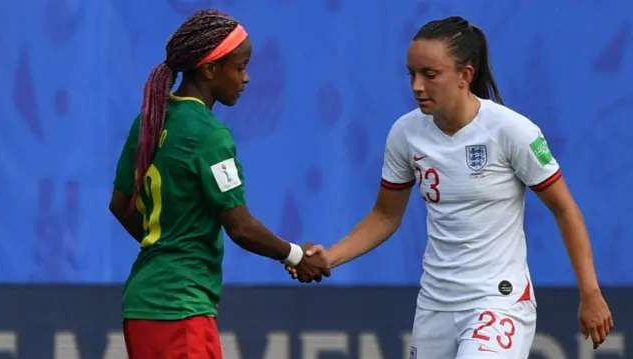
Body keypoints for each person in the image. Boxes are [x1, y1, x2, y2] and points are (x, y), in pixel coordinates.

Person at [287, 16, 613, 359]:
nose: (416, 86)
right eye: (411, 73)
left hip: (498, 301)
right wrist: (331, 257)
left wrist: (590, 292)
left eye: (430, 75)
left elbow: (564, 209)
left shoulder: (512, 130)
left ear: (465, 75)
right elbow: (385, 215)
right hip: (435, 303)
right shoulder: (405, 133)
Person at [109, 9, 329, 359]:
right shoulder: (209, 135)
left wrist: (167, 245)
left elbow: (120, 206)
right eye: (240, 67)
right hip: (180, 309)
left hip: (142, 305)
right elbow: (240, 227)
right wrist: (297, 255)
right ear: (210, 70)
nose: (247, 79)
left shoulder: (150, 120)